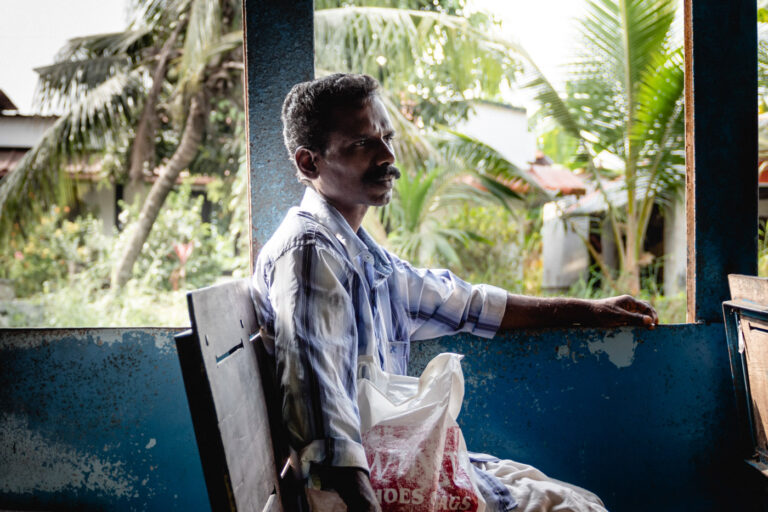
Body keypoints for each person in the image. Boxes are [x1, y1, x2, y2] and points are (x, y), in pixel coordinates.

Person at [251, 73, 658, 511]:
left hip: (386, 469)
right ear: (309, 163)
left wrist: (590, 310)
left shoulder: (362, 258)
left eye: (386, 137)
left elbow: (468, 304)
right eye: (362, 144)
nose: (387, 155)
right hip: (352, 493)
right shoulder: (311, 254)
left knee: (575, 498)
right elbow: (319, 417)